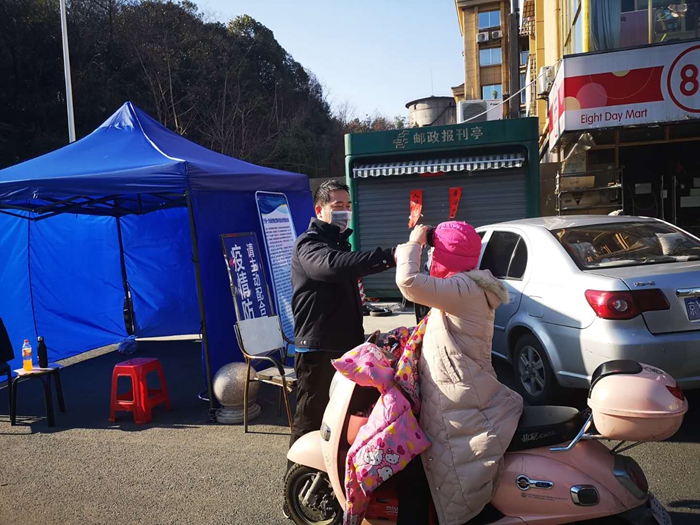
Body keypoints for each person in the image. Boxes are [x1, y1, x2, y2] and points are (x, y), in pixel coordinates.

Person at [394, 222, 524, 525]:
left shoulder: (462, 288)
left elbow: (408, 281)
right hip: (460, 388)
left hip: (456, 400)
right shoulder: (467, 284)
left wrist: (414, 242)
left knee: (443, 470)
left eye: (434, 251)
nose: (430, 256)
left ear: (445, 255)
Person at [289, 180, 396, 450]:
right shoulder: (309, 244)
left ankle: (331, 473)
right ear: (319, 210)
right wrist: (390, 256)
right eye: (338, 206)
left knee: (341, 420)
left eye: (348, 205)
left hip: (346, 347)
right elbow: (331, 267)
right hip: (318, 351)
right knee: (310, 421)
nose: (345, 211)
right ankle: (298, 472)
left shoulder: (339, 244)